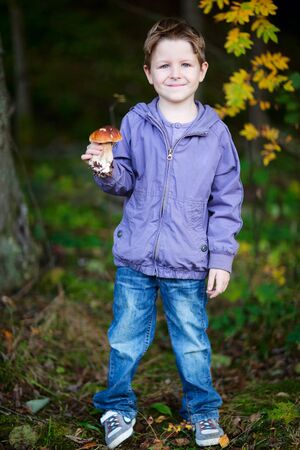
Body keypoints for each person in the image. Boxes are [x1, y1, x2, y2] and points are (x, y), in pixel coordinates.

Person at [81, 17, 243, 449]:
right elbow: (124, 181)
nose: (175, 73)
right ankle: (116, 405)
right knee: (124, 338)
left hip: (189, 260)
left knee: (192, 341)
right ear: (149, 74)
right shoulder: (135, 123)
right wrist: (107, 168)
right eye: (164, 65)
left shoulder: (215, 133)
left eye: (185, 64)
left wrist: (221, 259)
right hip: (136, 257)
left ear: (203, 70)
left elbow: (226, 201)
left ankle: (203, 411)